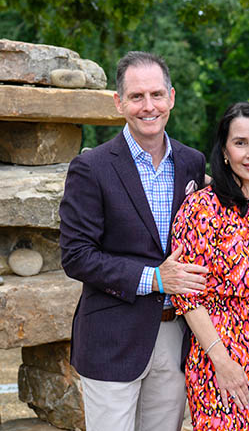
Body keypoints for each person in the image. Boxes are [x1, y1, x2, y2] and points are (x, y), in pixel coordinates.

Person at [59, 51, 207, 431]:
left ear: (172, 97)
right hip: (111, 337)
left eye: (157, 95)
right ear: (119, 102)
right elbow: (76, 256)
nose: (148, 106)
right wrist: (155, 278)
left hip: (174, 334)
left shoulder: (192, 163)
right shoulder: (92, 168)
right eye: (137, 97)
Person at [170, 102, 249, 430]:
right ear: (225, 152)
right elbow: (188, 296)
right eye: (240, 143)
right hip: (219, 350)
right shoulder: (201, 208)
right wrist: (221, 361)